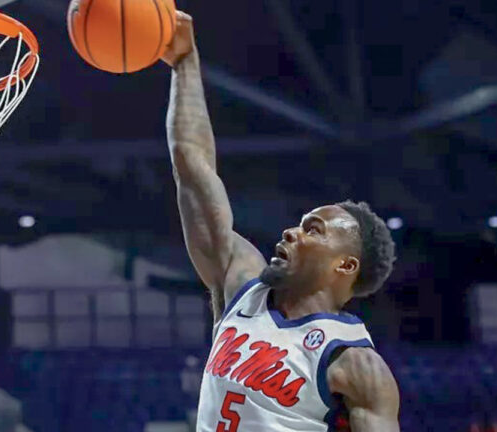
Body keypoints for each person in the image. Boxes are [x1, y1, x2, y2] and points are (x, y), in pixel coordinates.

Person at [161, 11, 401, 432]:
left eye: (313, 230)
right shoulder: (242, 287)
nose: (291, 231)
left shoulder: (356, 364)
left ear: (345, 265)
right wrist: (185, 62)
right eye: (300, 223)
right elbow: (192, 166)